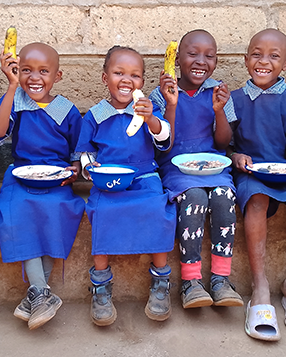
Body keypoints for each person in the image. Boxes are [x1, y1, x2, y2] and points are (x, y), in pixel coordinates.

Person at [227, 28, 286, 341]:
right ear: (245, 59)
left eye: (274, 56)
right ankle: (260, 286)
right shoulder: (235, 99)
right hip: (252, 173)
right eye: (256, 53)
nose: (263, 61)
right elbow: (225, 142)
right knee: (256, 200)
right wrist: (236, 154)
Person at [0, 42, 84, 330]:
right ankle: (41, 292)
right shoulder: (15, 101)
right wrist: (12, 87)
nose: (34, 78)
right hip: (20, 175)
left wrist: (75, 168)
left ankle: (37, 293)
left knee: (55, 211)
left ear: (57, 76)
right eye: (26, 70)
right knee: (15, 209)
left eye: (43, 71)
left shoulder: (66, 109)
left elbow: (78, 149)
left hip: (57, 178)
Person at [76, 46, 176, 326]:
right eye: (119, 73)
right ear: (104, 78)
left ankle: (160, 281)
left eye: (135, 75)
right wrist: (89, 168)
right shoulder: (95, 115)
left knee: (157, 209)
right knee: (102, 212)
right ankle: (101, 287)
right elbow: (85, 152)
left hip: (144, 176)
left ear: (143, 83)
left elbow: (164, 142)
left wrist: (152, 119)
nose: (126, 80)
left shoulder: (145, 110)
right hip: (108, 181)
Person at [149, 29, 243, 311]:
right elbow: (164, 145)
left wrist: (218, 110)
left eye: (209, 56)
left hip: (213, 164)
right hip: (175, 167)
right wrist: (172, 104)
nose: (201, 61)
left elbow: (224, 142)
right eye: (192, 54)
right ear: (177, 59)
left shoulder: (218, 90)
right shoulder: (160, 93)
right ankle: (191, 282)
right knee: (195, 198)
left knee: (225, 196)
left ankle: (220, 280)